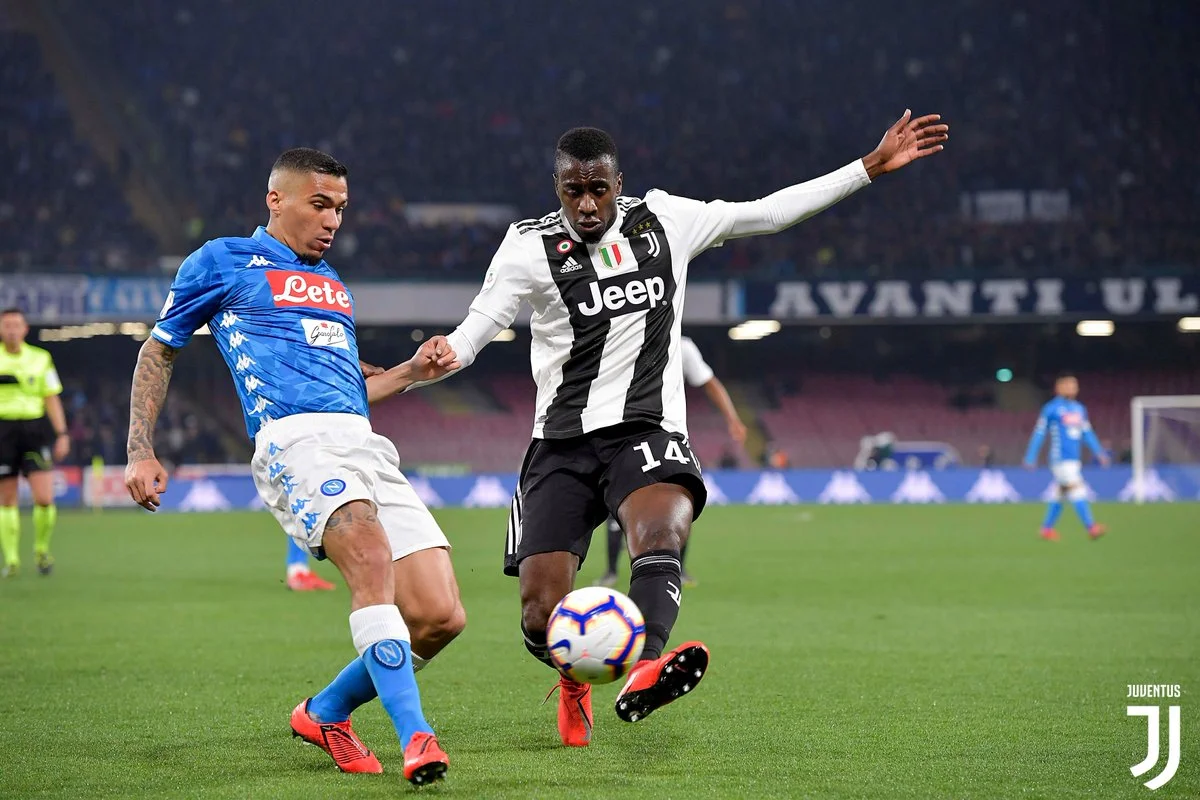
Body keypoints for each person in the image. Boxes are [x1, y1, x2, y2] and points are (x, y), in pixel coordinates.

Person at [412, 110, 947, 747]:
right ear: (557, 188)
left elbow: (767, 213)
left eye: (599, 188)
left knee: (661, 534)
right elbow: (477, 328)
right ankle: (576, 677)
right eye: (573, 191)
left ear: (619, 183)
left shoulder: (665, 220)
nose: (587, 204)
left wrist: (867, 168)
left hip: (646, 428)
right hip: (560, 443)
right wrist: (443, 354)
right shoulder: (528, 247)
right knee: (538, 615)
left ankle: (646, 668)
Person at [123, 148, 465, 785]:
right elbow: (159, 350)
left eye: (341, 208)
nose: (333, 220)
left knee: (440, 615)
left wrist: (414, 372)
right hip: (294, 443)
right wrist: (140, 448)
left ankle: (325, 712)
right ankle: (417, 738)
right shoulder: (222, 260)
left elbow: (353, 390)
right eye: (320, 205)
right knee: (369, 557)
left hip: (363, 442)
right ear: (275, 200)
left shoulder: (333, 285)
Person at [596, 335, 746, 588]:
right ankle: (611, 571)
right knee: (616, 506)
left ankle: (678, 568)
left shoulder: (683, 346)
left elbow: (710, 382)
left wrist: (733, 419)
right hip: (627, 436)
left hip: (669, 437)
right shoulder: (624, 336)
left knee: (679, 502)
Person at [0, 308, 70, 578]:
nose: (11, 330)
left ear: (25, 329)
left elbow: (51, 397)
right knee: (7, 499)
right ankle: (12, 560)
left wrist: (62, 434)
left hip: (33, 429)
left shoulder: (41, 359)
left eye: (16, 325)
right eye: (7, 325)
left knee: (44, 498)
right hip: (3, 431)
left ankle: (41, 549)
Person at [1023, 372, 1109, 541]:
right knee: (1077, 489)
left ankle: (1046, 529)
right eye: (1068, 385)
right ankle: (1091, 527)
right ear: (1059, 388)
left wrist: (1099, 452)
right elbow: (1039, 433)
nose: (1072, 388)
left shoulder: (1079, 409)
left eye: (1074, 385)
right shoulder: (1051, 409)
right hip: (1060, 458)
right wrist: (1030, 456)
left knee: (1060, 494)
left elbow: (1087, 433)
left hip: (1074, 458)